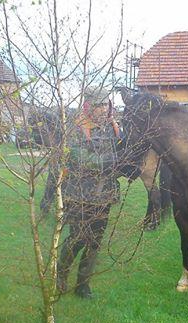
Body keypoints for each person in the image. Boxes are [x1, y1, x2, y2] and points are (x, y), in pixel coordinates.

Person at [56, 86, 123, 298]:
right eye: (98, 105)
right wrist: (114, 162)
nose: (103, 109)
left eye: (105, 104)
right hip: (79, 195)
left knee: (94, 242)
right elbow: (80, 159)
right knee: (77, 238)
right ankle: (60, 275)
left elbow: (124, 151)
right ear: (88, 107)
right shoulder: (76, 128)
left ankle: (83, 286)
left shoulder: (113, 128)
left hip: (104, 196)